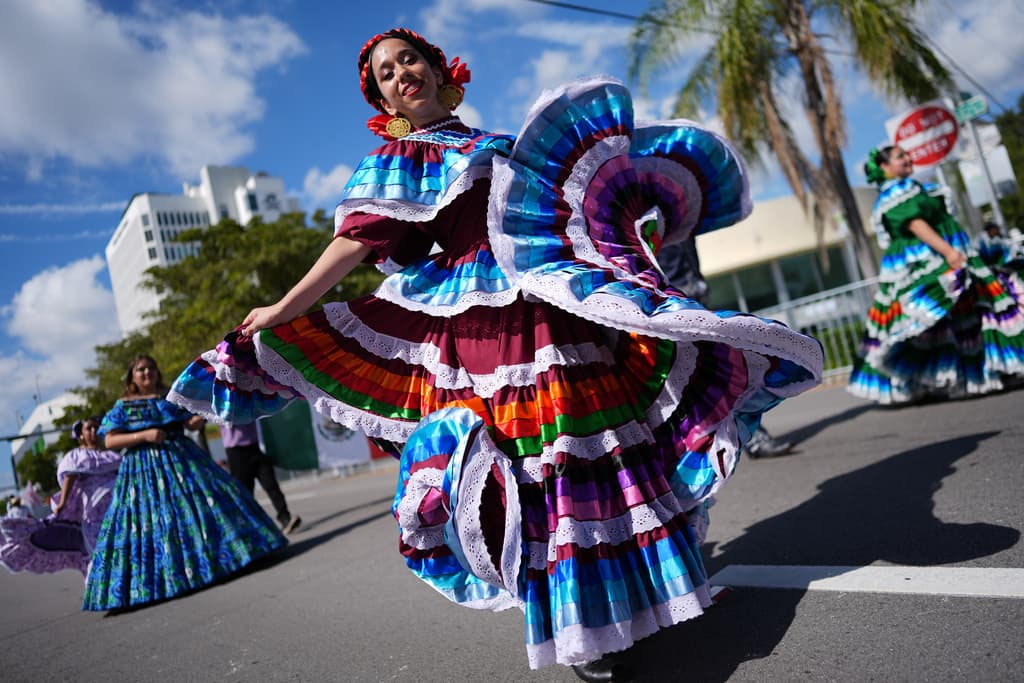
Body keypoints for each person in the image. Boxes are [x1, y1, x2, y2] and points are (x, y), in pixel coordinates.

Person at [169, 29, 822, 681]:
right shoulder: (400, 158)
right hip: (481, 325)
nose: (402, 74)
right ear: (385, 100)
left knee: (604, 445)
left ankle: (652, 586)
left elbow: (573, 208)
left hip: (552, 302)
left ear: (437, 69)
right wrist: (282, 309)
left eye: (409, 60)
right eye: (386, 73)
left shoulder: (500, 145)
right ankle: (580, 622)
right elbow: (357, 244)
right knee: (533, 459)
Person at [81, 355, 287, 611]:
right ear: (132, 377)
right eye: (141, 370)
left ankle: (227, 559)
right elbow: (110, 440)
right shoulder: (123, 406)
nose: (147, 373)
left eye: (151, 368)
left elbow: (188, 421)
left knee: (208, 505)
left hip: (183, 460)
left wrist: (197, 419)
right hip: (142, 470)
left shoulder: (170, 396)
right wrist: (144, 435)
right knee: (154, 523)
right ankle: (157, 583)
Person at [848, 146, 1024, 403]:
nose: (908, 158)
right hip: (928, 259)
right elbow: (915, 224)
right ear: (884, 167)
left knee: (971, 314)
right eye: (900, 157)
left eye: (906, 154)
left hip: (950, 252)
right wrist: (948, 252)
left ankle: (982, 371)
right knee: (931, 319)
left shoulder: (917, 188)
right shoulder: (895, 194)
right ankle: (932, 377)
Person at [657, 239, 795, 458]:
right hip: (675, 318)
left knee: (728, 375)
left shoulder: (680, 216)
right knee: (703, 384)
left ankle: (749, 438)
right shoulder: (648, 220)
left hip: (697, 311)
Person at [0, 417, 122, 577]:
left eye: (97, 428)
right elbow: (69, 477)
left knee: (119, 544)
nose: (94, 432)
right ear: (81, 434)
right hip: (93, 513)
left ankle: (123, 587)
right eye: (89, 428)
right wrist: (62, 503)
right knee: (98, 548)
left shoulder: (111, 455)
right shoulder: (77, 456)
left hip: (115, 508)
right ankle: (103, 590)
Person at [220, 421, 301, 535]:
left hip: (255, 446)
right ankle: (252, 528)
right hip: (236, 451)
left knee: (271, 484)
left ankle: (285, 518)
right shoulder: (221, 404)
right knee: (245, 493)